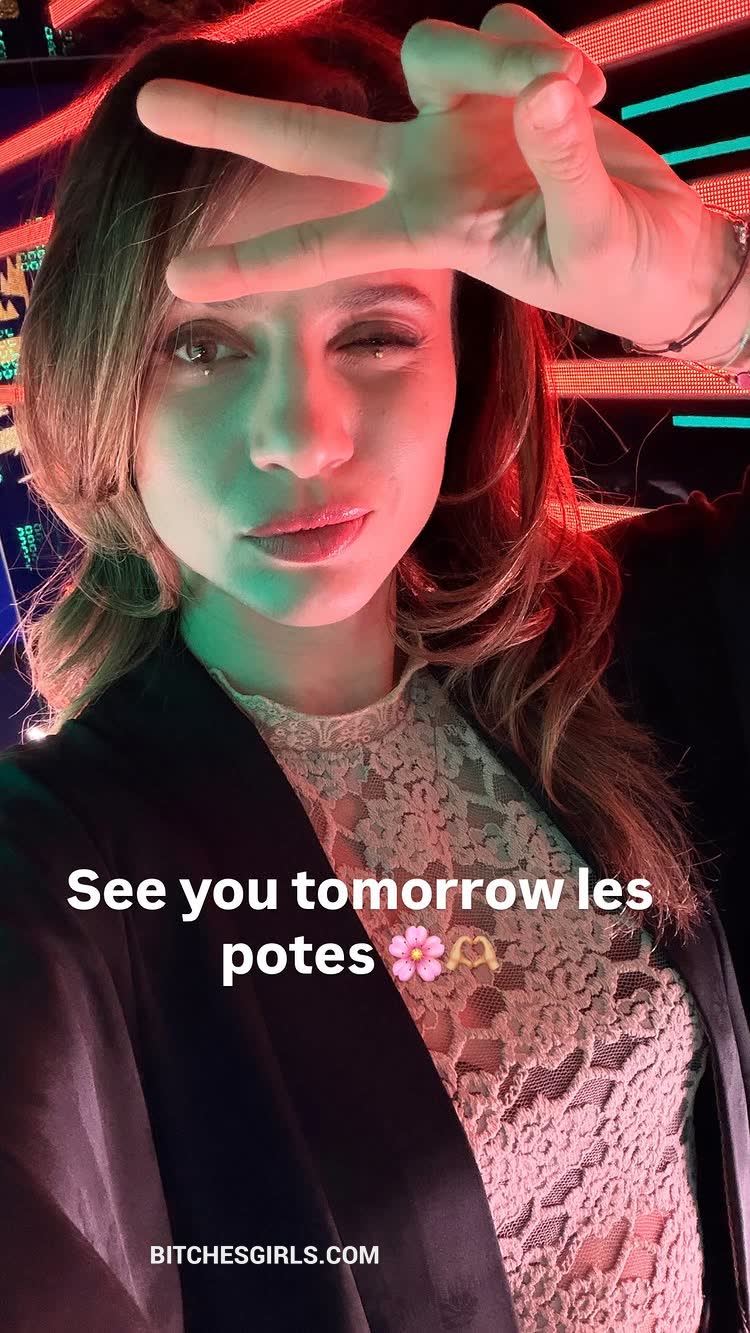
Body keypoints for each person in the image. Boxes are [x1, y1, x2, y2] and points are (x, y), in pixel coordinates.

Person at [1, 4, 748, 1331]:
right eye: (200, 344)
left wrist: (710, 292)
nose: (301, 435)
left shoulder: (625, 656)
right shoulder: (56, 868)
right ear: (101, 385)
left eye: (375, 334)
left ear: (465, 364)